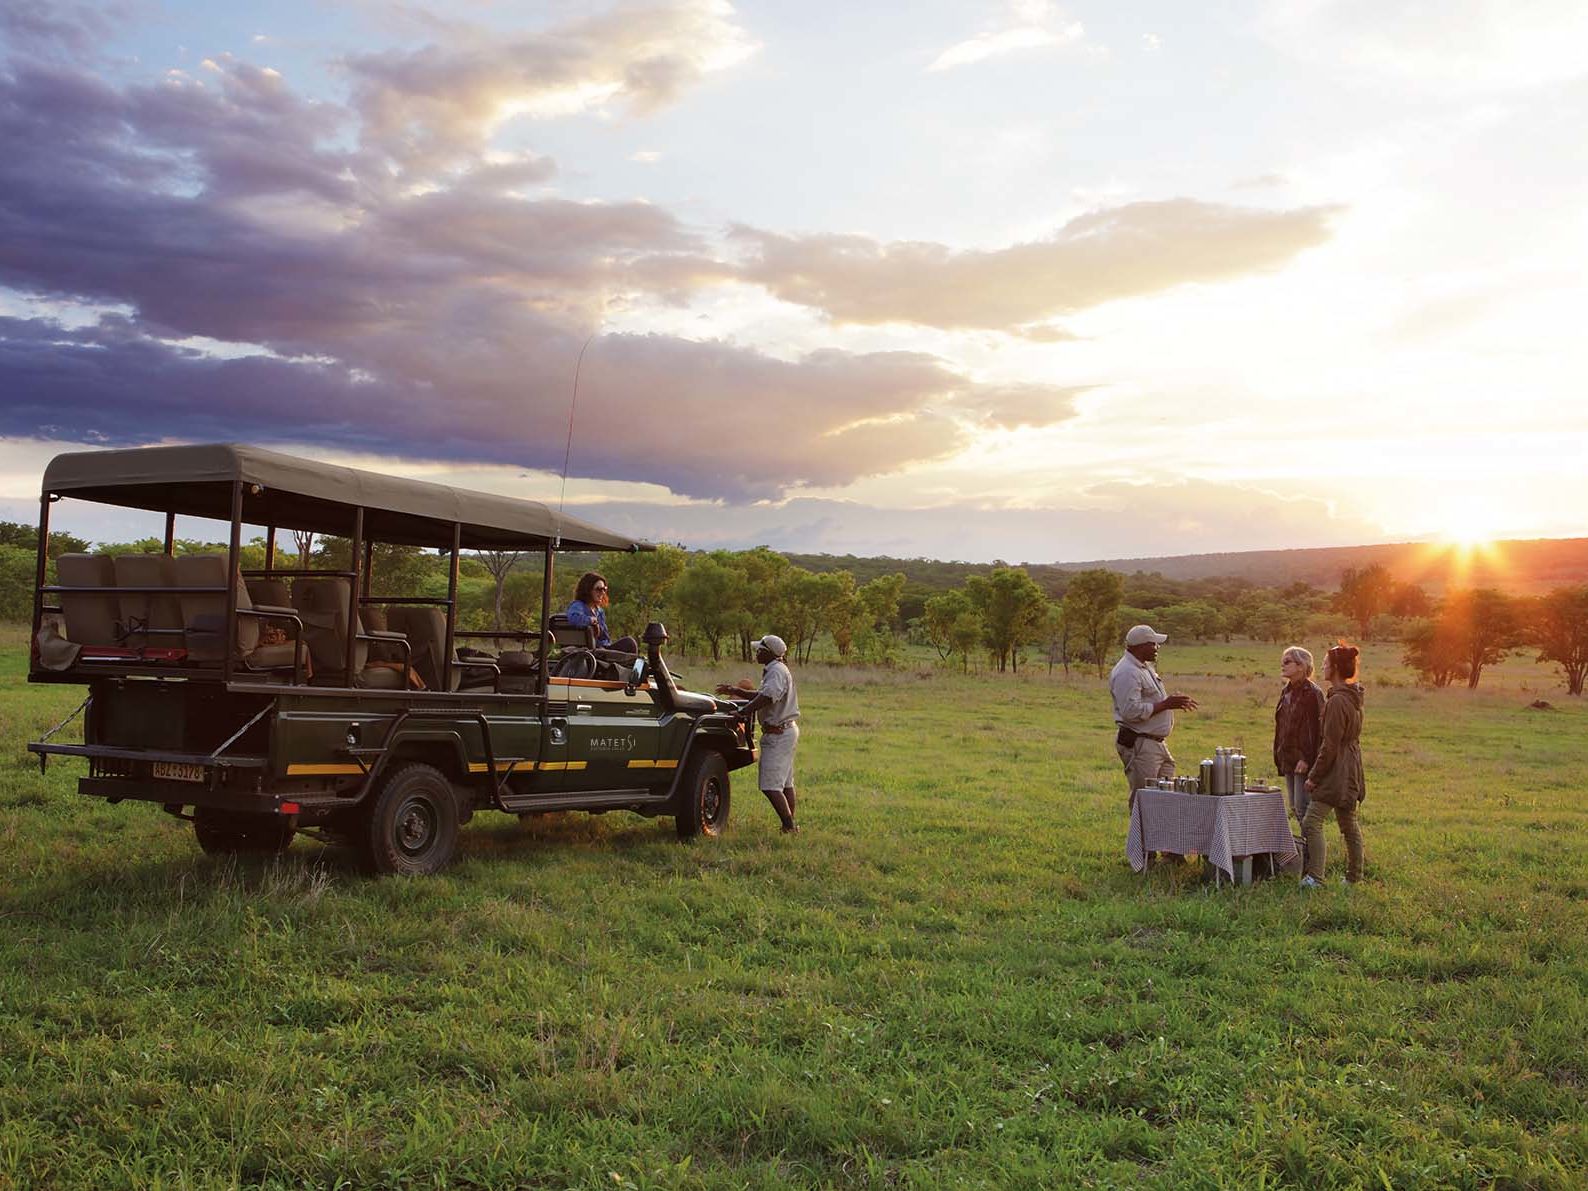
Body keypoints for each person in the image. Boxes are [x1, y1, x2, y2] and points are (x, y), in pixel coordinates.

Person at [1110, 624, 1198, 812]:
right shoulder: (1127, 672)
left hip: (1154, 743)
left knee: (1163, 798)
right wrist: (1166, 704)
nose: (1157, 648)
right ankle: (1139, 840)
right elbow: (1130, 711)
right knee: (1144, 800)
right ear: (1141, 646)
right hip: (1141, 743)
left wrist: (1171, 702)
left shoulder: (1143, 667)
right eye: (1153, 644)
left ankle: (1157, 838)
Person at [1300, 643, 1366, 888]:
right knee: (1348, 823)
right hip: (1351, 766)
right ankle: (1354, 877)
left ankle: (1316, 877)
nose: (1323, 667)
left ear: (1336, 668)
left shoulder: (1337, 701)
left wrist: (1314, 776)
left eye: (1326, 663)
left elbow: (1329, 745)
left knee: (1311, 822)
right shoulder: (1353, 696)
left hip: (1337, 768)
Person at [734, 633, 800, 833]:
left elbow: (767, 697)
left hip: (778, 734)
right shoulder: (776, 669)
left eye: (759, 650)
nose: (756, 653)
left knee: (770, 785)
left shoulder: (776, 671)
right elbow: (764, 694)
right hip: (786, 731)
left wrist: (744, 711)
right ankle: (789, 824)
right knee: (785, 782)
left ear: (767, 652)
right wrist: (738, 692)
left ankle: (789, 826)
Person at [1273, 645, 1324, 825]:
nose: (1283, 666)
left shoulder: (1312, 693)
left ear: (1301, 666)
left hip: (1303, 760)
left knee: (1303, 809)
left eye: (1287, 662)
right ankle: (1304, 850)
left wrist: (1307, 758)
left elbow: (1316, 731)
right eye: (1282, 662)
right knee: (1295, 808)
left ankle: (1310, 852)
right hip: (1288, 756)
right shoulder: (1286, 691)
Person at [565, 571, 638, 653]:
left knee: (638, 657)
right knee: (630, 643)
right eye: (599, 589)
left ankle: (636, 665)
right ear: (587, 590)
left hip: (603, 649)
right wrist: (591, 620)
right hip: (591, 652)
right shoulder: (578, 605)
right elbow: (573, 618)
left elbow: (605, 638)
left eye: (604, 589)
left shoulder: (599, 611)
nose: (603, 592)